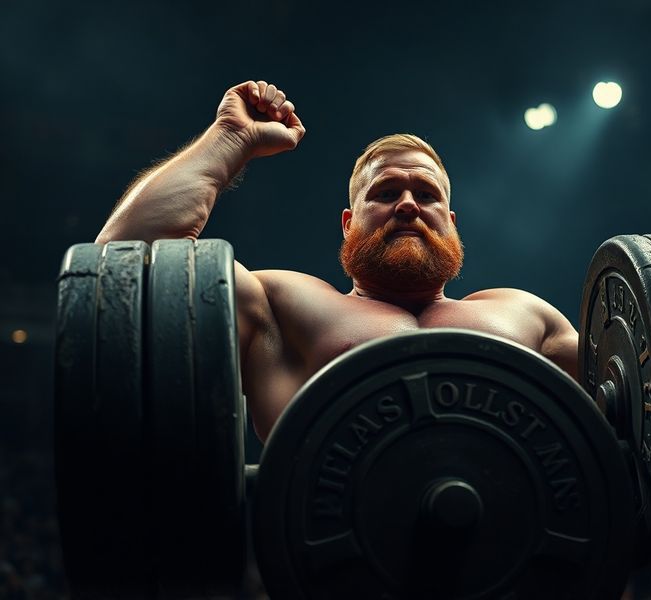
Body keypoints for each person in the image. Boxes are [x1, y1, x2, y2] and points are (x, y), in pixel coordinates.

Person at [96, 80, 579, 441]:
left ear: (451, 222)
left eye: (425, 194)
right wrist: (228, 139)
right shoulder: (281, 307)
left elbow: (645, 411)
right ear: (348, 224)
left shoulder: (525, 315)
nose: (407, 204)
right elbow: (127, 259)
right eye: (386, 192)